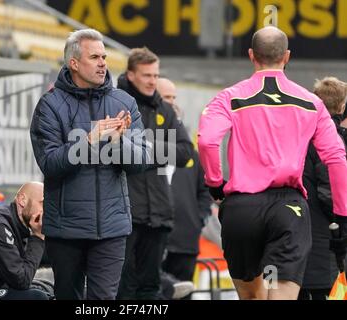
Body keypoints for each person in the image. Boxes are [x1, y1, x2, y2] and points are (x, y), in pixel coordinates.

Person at [198, 26, 347, 300]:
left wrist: (216, 184)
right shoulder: (311, 102)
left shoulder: (229, 97)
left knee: (253, 296)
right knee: (278, 293)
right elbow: (336, 158)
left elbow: (207, 141)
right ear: (287, 56)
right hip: (287, 210)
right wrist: (341, 215)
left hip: (241, 211)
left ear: (252, 55)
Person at [30, 29, 150, 300]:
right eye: (94, 57)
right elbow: (49, 163)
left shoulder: (124, 102)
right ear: (74, 63)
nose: (102, 63)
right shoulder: (49, 106)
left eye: (104, 56)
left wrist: (118, 143)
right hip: (66, 229)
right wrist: (89, 141)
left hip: (112, 229)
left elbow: (142, 160)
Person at [117, 48, 194, 300]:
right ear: (131, 74)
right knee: (123, 289)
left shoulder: (165, 109)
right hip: (125, 215)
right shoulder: (115, 103)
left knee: (150, 289)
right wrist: (153, 150)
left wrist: (147, 147)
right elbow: (118, 152)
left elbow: (185, 153)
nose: (152, 81)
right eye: (146, 75)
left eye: (155, 75)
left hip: (159, 214)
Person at [157, 78, 212, 284]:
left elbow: (204, 190)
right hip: (152, 237)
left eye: (173, 97)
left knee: (184, 291)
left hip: (185, 241)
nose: (171, 102)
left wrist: (197, 219)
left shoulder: (190, 151)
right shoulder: (141, 141)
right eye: (166, 97)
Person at [300, 77, 347, 300]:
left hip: (294, 237)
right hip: (324, 240)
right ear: (342, 106)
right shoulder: (330, 138)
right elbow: (330, 192)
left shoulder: (299, 135)